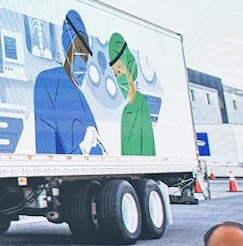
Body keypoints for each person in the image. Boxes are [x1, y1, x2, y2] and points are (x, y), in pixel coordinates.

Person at [34, 9, 104, 155]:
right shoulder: (48, 82)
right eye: (79, 50)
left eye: (86, 56)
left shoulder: (79, 95)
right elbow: (45, 151)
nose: (82, 61)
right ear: (67, 47)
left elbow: (97, 149)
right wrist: (82, 148)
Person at [108, 32, 156, 155]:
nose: (119, 78)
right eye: (116, 74)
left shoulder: (140, 103)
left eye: (120, 71)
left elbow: (147, 144)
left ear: (130, 68)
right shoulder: (125, 107)